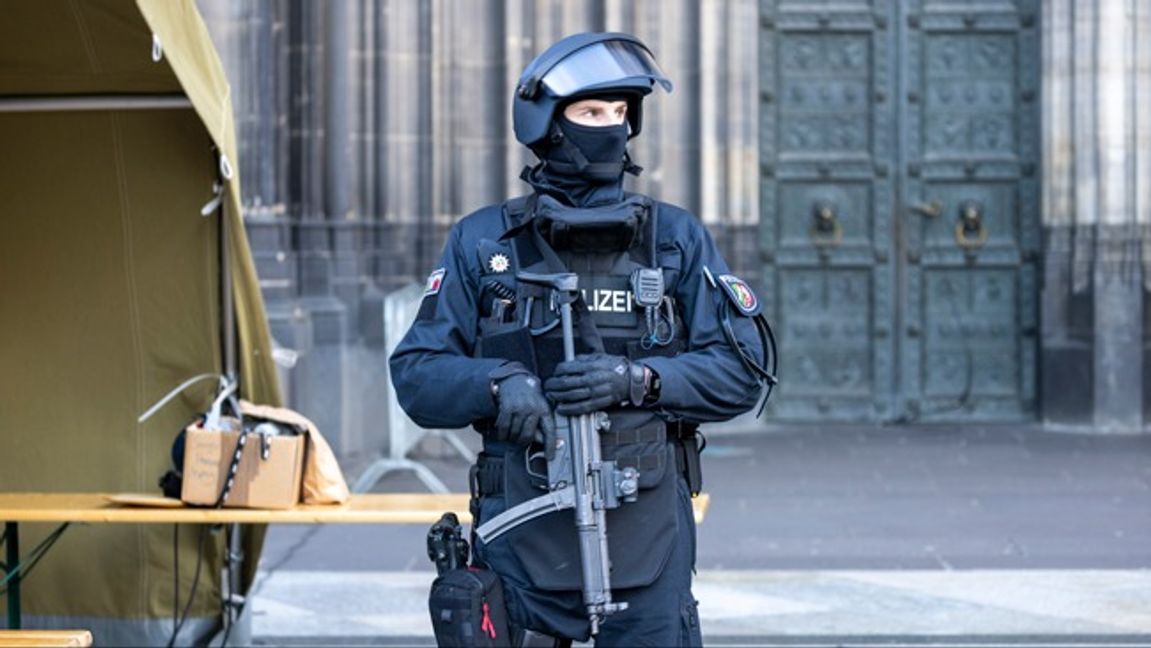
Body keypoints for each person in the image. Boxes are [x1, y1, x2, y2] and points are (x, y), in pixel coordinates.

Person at [390, 31, 775, 647]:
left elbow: (742, 370)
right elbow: (416, 373)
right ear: (546, 121)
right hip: (520, 533)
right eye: (591, 113)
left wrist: (642, 380)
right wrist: (496, 383)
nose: (610, 129)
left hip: (647, 534)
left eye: (620, 114)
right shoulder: (485, 241)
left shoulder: (673, 239)